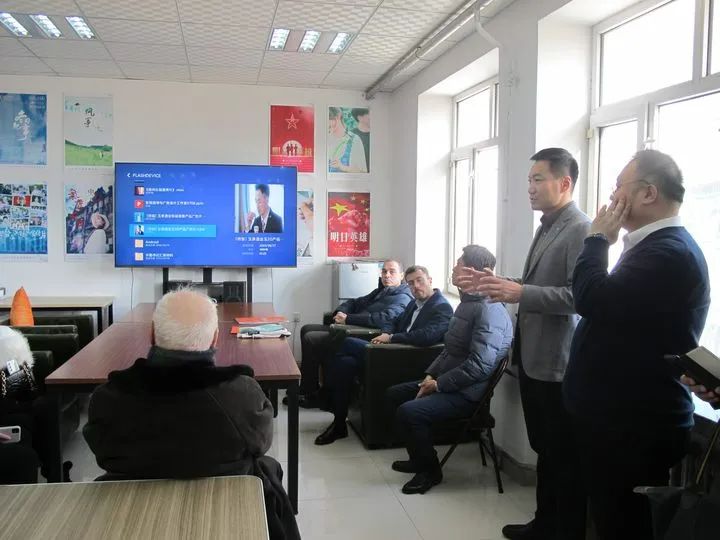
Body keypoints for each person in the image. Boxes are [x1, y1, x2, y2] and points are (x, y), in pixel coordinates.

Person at [562, 149, 710, 540]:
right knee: (612, 516)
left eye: (618, 187)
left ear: (648, 193)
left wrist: (597, 239)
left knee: (624, 524)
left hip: (633, 426)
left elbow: (591, 299)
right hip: (618, 420)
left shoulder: (669, 252)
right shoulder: (652, 247)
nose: (612, 198)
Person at [83, 289, 300, 540]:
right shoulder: (242, 395)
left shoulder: (107, 399)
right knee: (267, 466)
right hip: (226, 508)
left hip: (129, 515)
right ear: (215, 338)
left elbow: (102, 451)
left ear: (152, 333)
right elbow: (261, 443)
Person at [456, 148, 590, 540]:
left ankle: (564, 530)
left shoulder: (580, 228)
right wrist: (497, 284)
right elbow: (535, 285)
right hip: (532, 358)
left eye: (538, 179)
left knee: (563, 457)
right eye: (528, 180)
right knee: (546, 450)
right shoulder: (547, 226)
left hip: (556, 363)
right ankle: (545, 524)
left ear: (564, 183)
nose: (529, 188)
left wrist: (522, 293)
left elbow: (581, 297)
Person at [386, 246, 513, 494]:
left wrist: (439, 384)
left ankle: (430, 471)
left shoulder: (489, 310)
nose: (453, 268)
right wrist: (430, 375)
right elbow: (449, 350)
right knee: (394, 395)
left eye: (458, 264)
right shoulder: (467, 304)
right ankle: (419, 458)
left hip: (468, 395)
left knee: (410, 412)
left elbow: (480, 365)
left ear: (472, 271)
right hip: (449, 382)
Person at [314, 265, 453, 446]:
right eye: (411, 283)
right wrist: (386, 334)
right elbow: (393, 321)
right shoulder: (414, 303)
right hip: (390, 353)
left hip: (409, 358)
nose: (415, 286)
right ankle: (339, 423)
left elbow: (427, 336)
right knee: (345, 363)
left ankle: (325, 395)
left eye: (419, 281)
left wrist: (392, 338)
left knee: (346, 342)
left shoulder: (442, 307)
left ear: (430, 280)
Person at [295, 259, 413, 408]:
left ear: (401, 275)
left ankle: (312, 394)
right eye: (384, 271)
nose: (387, 275)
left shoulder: (403, 297)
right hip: (350, 327)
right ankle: (308, 387)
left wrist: (348, 318)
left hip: (363, 334)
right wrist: (341, 312)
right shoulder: (381, 291)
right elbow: (354, 302)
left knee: (311, 339)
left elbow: (383, 319)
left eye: (392, 272)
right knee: (306, 329)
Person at [328, 107, 367, 173]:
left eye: (328, 119)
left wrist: (342, 167)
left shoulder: (354, 140)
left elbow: (363, 171)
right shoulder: (325, 139)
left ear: (337, 117)